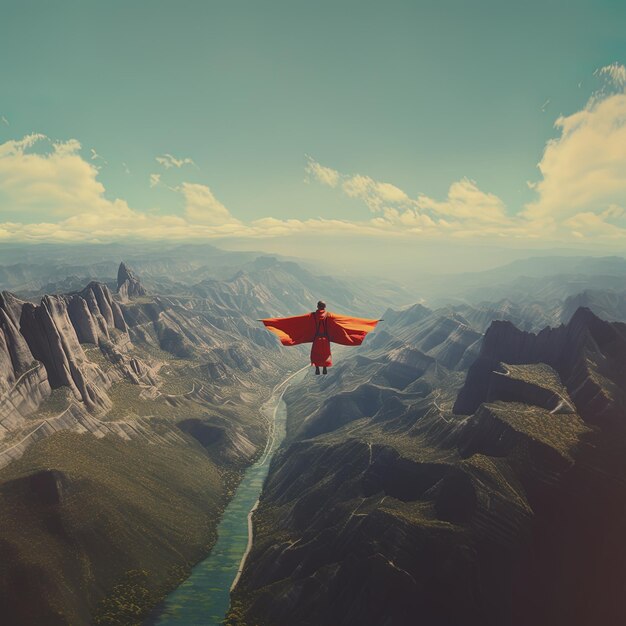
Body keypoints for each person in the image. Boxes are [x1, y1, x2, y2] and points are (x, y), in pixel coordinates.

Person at [260, 301, 380, 374]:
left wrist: (269, 321)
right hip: (326, 339)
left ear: (318, 306)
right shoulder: (331, 316)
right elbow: (348, 321)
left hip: (317, 339)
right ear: (325, 307)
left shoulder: (311, 316)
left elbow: (293, 321)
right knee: (325, 354)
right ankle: (324, 369)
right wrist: (371, 322)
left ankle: (317, 368)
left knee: (316, 354)